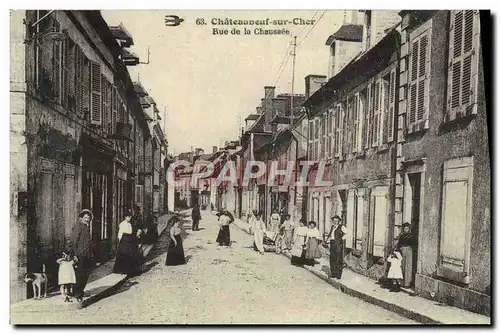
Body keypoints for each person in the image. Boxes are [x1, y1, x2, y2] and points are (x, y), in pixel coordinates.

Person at [69, 209, 93, 302]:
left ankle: (80, 291)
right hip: (79, 254)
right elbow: (73, 241)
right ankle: (77, 293)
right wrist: (74, 254)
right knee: (79, 274)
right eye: (85, 217)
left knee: (85, 274)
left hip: (86, 255)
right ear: (81, 218)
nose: (87, 219)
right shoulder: (78, 226)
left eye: (88, 218)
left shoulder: (86, 227)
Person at [113, 208, 143, 276]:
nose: (129, 218)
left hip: (130, 240)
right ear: (125, 217)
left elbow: (132, 232)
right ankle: (124, 270)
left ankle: (131, 270)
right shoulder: (122, 224)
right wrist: (119, 241)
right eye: (128, 217)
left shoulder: (130, 224)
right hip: (124, 241)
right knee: (124, 255)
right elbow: (120, 233)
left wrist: (137, 234)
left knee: (132, 255)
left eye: (130, 217)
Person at [325, 215, 350, 279]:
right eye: (334, 220)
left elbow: (348, 233)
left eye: (337, 220)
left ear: (339, 221)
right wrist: (328, 242)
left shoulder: (342, 227)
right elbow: (330, 236)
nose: (335, 222)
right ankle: (333, 274)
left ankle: (338, 275)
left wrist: (341, 238)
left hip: (338, 244)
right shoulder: (332, 227)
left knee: (338, 259)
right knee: (332, 258)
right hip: (332, 243)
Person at [395, 222, 414, 288]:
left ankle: (407, 283)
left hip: (409, 250)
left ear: (409, 229)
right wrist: (400, 248)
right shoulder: (402, 235)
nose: (406, 229)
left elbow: (413, 244)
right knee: (402, 266)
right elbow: (399, 243)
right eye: (405, 228)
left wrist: (411, 248)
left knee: (408, 267)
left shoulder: (411, 236)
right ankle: (401, 282)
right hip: (402, 250)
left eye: (407, 228)